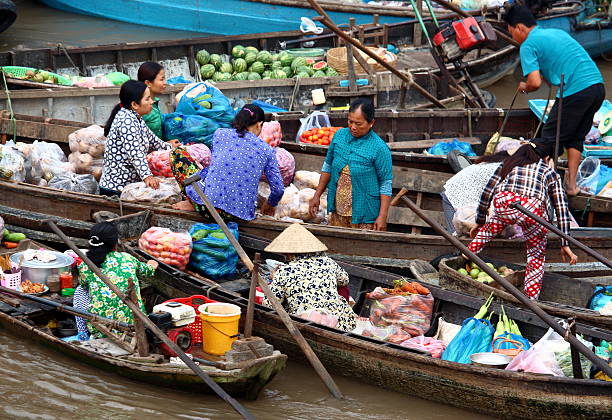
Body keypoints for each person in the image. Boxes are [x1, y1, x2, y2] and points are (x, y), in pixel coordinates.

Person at [503, 4, 605, 196]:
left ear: (519, 28)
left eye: (511, 32)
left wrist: (524, 88)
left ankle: (536, 186)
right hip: (597, 87)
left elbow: (534, 82)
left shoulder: (528, 45)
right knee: (575, 137)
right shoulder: (556, 33)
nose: (512, 38)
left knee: (547, 139)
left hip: (576, 89)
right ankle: (571, 186)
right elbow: (562, 62)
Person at [467, 144, 578, 300]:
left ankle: (468, 252)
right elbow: (561, 207)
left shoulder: (508, 164)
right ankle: (530, 299)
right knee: (536, 256)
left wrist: (479, 221)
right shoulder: (549, 172)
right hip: (533, 211)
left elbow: (487, 192)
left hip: (505, 204)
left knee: (491, 225)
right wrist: (565, 242)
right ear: (545, 158)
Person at [171, 104, 284, 222]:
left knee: (177, 153)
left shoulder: (220, 134)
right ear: (259, 124)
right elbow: (278, 190)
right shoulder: (267, 150)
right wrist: (270, 204)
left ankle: (192, 202)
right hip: (240, 215)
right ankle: (195, 201)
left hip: (207, 208)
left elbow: (216, 166)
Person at [309, 98, 392, 231]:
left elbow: (385, 184)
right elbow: (328, 166)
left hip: (366, 213)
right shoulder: (339, 136)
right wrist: (317, 195)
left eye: (358, 123)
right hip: (338, 210)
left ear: (371, 123)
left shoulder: (379, 148)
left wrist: (382, 216)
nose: (353, 127)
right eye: (350, 121)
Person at [262, 223, 356, 332]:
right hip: (342, 322)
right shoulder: (327, 262)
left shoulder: (284, 271)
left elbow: (269, 304)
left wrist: (275, 279)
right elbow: (344, 280)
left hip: (309, 323)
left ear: (289, 254)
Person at [73, 222, 158, 339]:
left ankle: (83, 333)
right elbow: (147, 271)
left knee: (80, 291)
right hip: (136, 326)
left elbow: (83, 284)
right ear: (114, 243)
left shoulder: (85, 265)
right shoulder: (127, 259)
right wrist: (152, 264)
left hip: (101, 329)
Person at [100, 80, 178, 196]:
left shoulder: (136, 117)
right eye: (147, 99)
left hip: (130, 185)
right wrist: (148, 177)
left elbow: (153, 141)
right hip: (116, 189)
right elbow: (135, 153)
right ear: (134, 104)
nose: (151, 102)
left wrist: (171, 147)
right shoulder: (126, 121)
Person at [441, 153, 508, 234]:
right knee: (457, 236)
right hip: (456, 193)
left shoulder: (512, 169)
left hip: (471, 194)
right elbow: (493, 203)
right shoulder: (504, 171)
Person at [138, 61, 166, 139]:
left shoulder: (155, 102)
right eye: (161, 79)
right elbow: (139, 139)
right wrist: (166, 144)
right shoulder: (141, 108)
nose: (165, 83)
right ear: (148, 83)